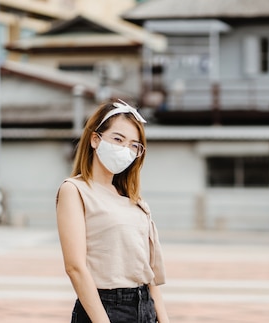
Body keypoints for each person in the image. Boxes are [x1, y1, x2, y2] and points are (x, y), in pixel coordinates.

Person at [56, 99, 169, 323]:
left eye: (134, 145)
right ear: (95, 140)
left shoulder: (133, 199)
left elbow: (148, 275)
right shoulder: (75, 190)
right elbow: (75, 267)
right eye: (118, 139)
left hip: (145, 307)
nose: (125, 149)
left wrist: (163, 319)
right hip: (106, 308)